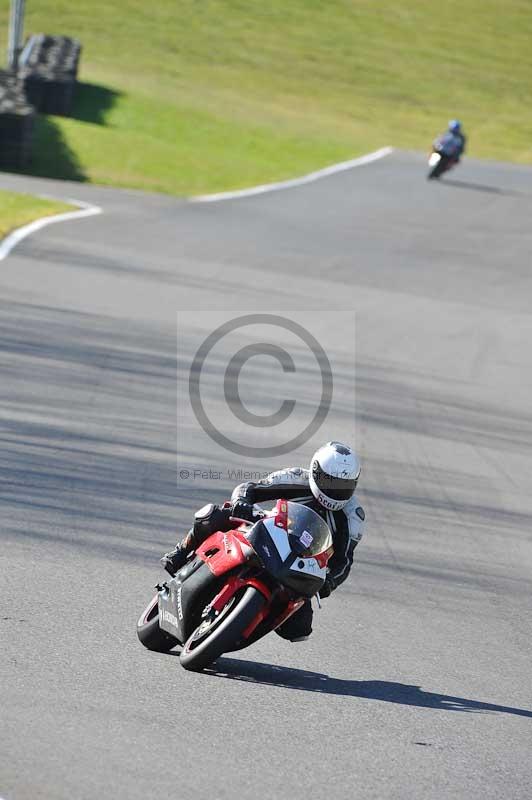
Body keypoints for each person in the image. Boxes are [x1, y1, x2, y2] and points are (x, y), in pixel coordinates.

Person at [161, 441, 366, 642]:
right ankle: (180, 552)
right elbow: (251, 488)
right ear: (315, 471)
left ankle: (246, 623)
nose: (334, 491)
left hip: (301, 564)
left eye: (343, 486)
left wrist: (329, 582)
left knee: (299, 628)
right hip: (268, 532)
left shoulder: (352, 519)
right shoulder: (296, 478)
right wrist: (241, 502)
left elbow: (344, 561)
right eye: (330, 481)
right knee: (214, 515)